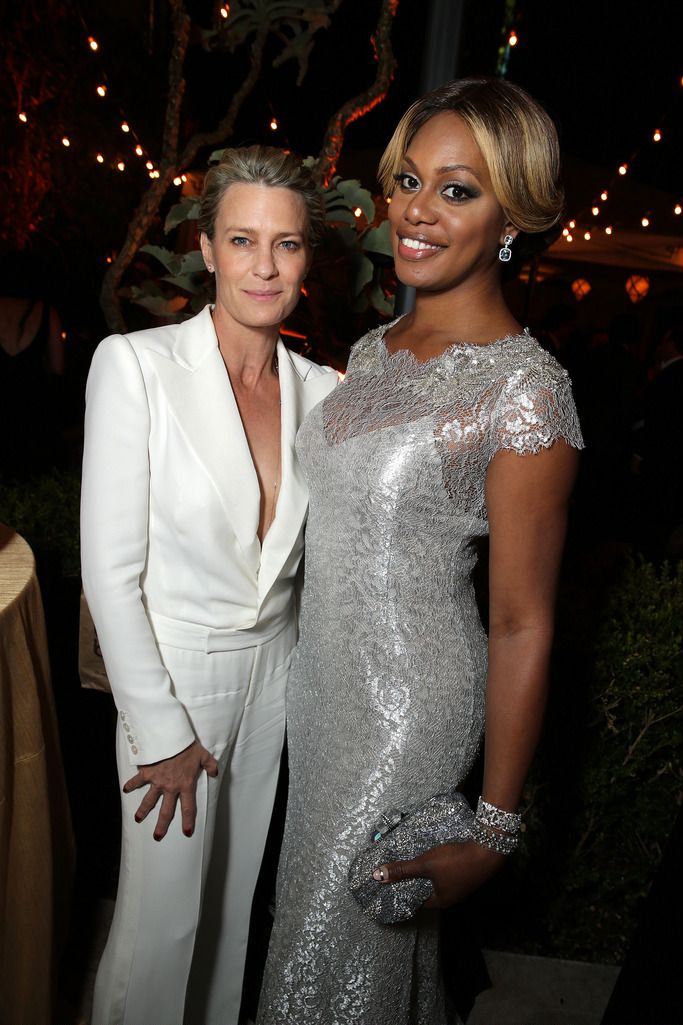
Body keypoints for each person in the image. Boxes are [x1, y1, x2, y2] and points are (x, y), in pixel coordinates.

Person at [257, 78, 584, 1024]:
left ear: (512, 215)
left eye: (457, 190)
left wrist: (492, 828)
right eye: (407, 179)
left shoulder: (526, 393)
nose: (415, 209)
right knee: (312, 942)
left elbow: (523, 621)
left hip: (405, 712)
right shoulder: (371, 349)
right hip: (318, 694)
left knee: (340, 949)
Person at [80, 145, 337, 1025]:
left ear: (308, 256)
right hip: (175, 676)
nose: (263, 266)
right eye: (241, 239)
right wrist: (157, 732)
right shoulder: (136, 366)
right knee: (160, 931)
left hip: (277, 679)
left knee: (231, 920)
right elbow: (110, 573)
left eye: (287, 244)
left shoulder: (326, 392)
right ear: (206, 249)